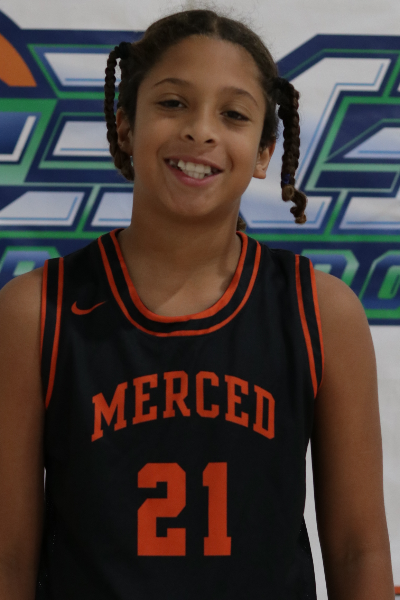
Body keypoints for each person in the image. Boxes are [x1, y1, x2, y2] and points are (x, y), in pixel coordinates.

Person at [0, 8, 394, 600]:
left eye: (233, 114)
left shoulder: (320, 312)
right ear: (125, 126)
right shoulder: (36, 311)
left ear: (264, 153)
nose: (201, 131)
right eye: (172, 103)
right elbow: (7, 556)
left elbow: (357, 549)